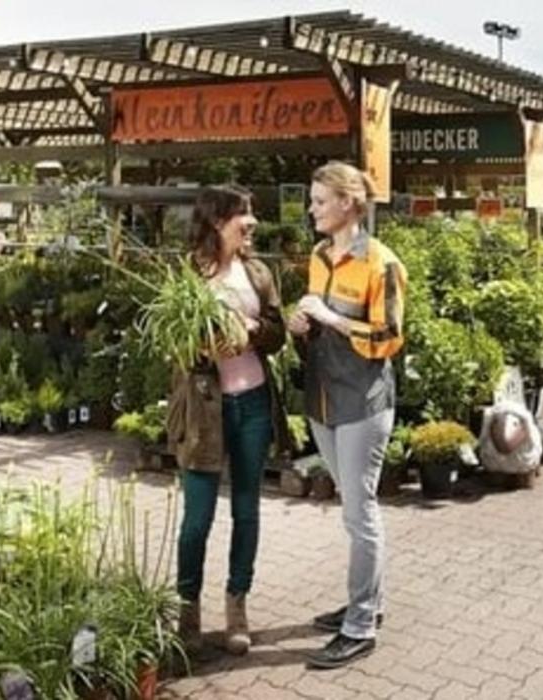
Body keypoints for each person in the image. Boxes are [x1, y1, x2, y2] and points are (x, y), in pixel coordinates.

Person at [287, 161, 407, 670]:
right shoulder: (318, 256)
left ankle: (359, 625)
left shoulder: (382, 264)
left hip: (362, 401)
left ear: (347, 204)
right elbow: (318, 327)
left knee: (360, 513)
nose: (311, 208)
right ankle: (368, 603)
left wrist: (333, 318)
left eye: (319, 200)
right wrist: (301, 325)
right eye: (312, 200)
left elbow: (390, 338)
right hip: (322, 399)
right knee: (351, 508)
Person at [174, 185, 289, 656]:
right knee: (197, 518)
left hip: (253, 402)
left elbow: (278, 333)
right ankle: (188, 606)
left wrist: (255, 330)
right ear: (218, 220)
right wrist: (201, 347)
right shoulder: (188, 275)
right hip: (204, 408)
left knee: (247, 509)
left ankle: (237, 604)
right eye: (244, 214)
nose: (252, 222)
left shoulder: (258, 272)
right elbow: (171, 342)